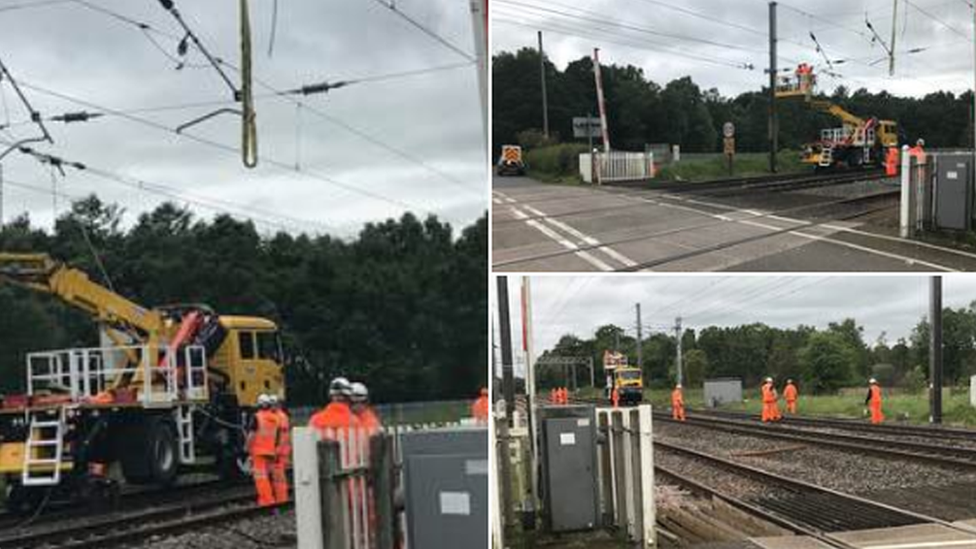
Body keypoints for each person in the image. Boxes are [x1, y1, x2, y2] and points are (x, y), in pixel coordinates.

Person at [247, 394, 280, 507]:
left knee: (261, 478)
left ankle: (266, 501)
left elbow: (252, 435)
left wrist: (246, 447)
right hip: (271, 451)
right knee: (269, 477)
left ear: (259, 405)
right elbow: (277, 437)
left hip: (258, 452)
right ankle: (272, 499)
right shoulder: (276, 418)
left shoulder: (257, 417)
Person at [270, 395, 291, 504]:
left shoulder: (281, 417)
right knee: (277, 476)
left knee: (279, 477)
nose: (271, 406)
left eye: (273, 404)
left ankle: (282, 499)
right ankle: (280, 498)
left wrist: (277, 451)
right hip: (280, 450)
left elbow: (283, 436)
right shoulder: (278, 416)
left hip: (280, 451)